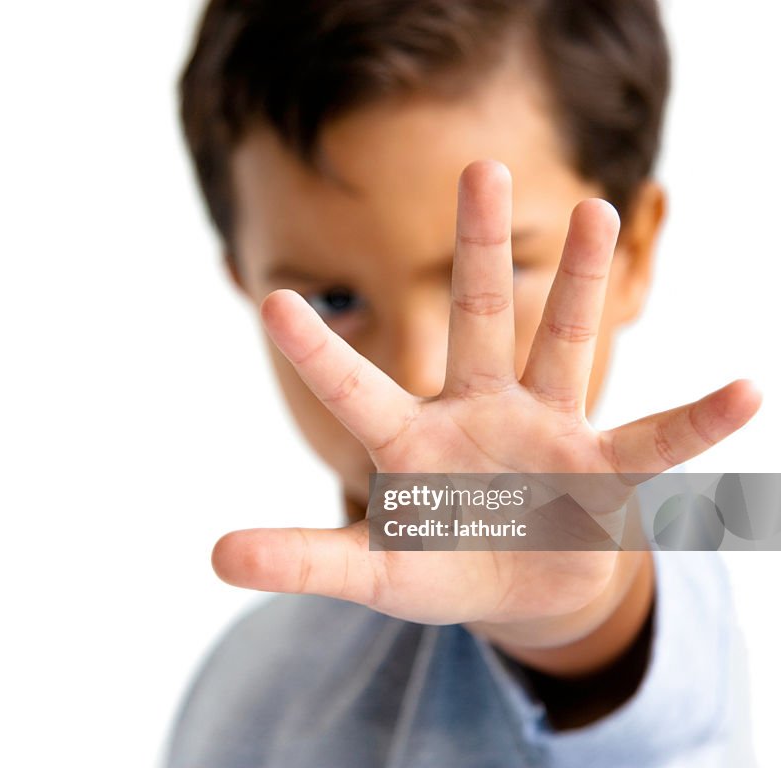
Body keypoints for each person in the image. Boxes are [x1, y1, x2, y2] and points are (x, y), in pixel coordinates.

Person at [167, 1, 762, 765]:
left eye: (500, 269)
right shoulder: (243, 673)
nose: (418, 370)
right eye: (334, 301)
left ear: (635, 251)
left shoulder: (671, 538)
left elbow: (602, 621)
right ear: (245, 283)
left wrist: (569, 596)